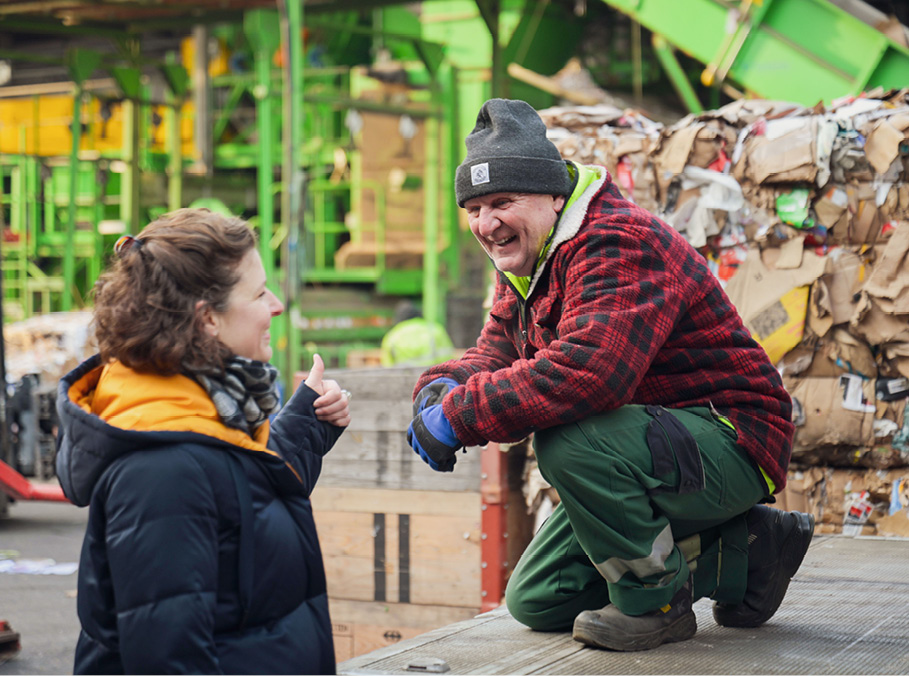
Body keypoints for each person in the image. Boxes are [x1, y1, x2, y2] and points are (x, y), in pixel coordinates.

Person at [406, 99, 814, 652]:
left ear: (554, 195)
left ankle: (658, 606)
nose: (487, 223)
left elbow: (589, 374)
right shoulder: (531, 257)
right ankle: (747, 552)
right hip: (657, 447)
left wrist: (461, 416)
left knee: (569, 440)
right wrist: (444, 385)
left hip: (733, 439)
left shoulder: (617, 241)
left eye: (503, 202)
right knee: (539, 599)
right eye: (474, 208)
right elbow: (496, 351)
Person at [55, 208, 350, 674]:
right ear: (207, 319)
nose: (275, 305)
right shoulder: (161, 471)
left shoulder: (198, 408)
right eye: (257, 293)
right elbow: (169, 660)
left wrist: (305, 425)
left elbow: (238, 517)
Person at [380, 300, 455, 367]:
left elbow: (388, 365)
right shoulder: (436, 330)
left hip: (404, 378)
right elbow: (449, 357)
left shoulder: (392, 335)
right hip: (435, 378)